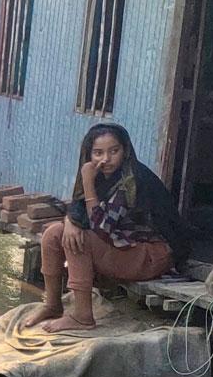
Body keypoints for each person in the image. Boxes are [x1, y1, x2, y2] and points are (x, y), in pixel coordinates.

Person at [31, 122, 190, 333]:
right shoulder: (100, 175)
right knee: (53, 234)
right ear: (89, 154)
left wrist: (87, 183)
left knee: (81, 240)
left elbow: (100, 227)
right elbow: (79, 209)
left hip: (153, 254)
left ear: (125, 151)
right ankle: (52, 304)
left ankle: (82, 316)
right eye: (98, 153)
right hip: (125, 246)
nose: (105, 159)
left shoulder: (131, 180)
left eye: (113, 151)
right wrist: (70, 221)